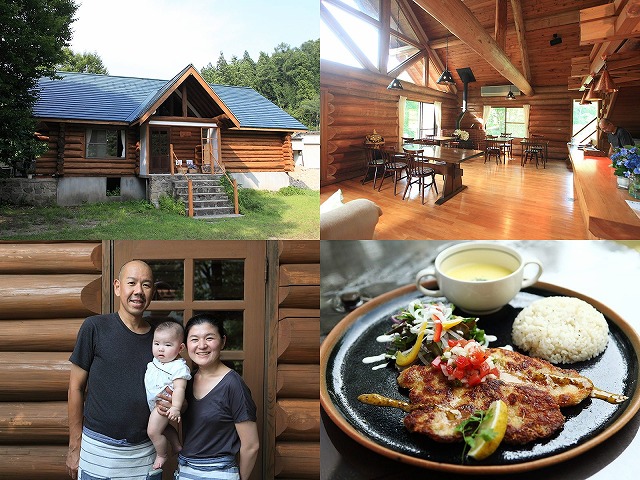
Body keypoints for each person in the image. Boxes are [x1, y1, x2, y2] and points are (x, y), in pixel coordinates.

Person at [66, 260, 160, 480]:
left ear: (152, 292)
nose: (138, 291)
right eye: (132, 283)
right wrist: (74, 445)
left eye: (146, 285)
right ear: (118, 287)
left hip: (144, 454)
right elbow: (75, 387)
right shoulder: (95, 327)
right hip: (97, 450)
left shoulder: (160, 339)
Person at [162, 313, 260, 480]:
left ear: (223, 341)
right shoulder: (186, 381)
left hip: (219, 472)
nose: (202, 345)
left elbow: (251, 446)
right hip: (185, 470)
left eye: (209, 338)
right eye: (194, 339)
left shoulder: (233, 385)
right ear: (185, 346)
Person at [145, 320, 192, 469]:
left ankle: (161, 454)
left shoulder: (178, 367)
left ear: (180, 348)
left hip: (166, 406)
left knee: (153, 431)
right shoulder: (156, 362)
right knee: (164, 428)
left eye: (167, 345)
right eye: (157, 343)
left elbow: (179, 389)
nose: (161, 349)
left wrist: (176, 407)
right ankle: (176, 445)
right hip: (154, 403)